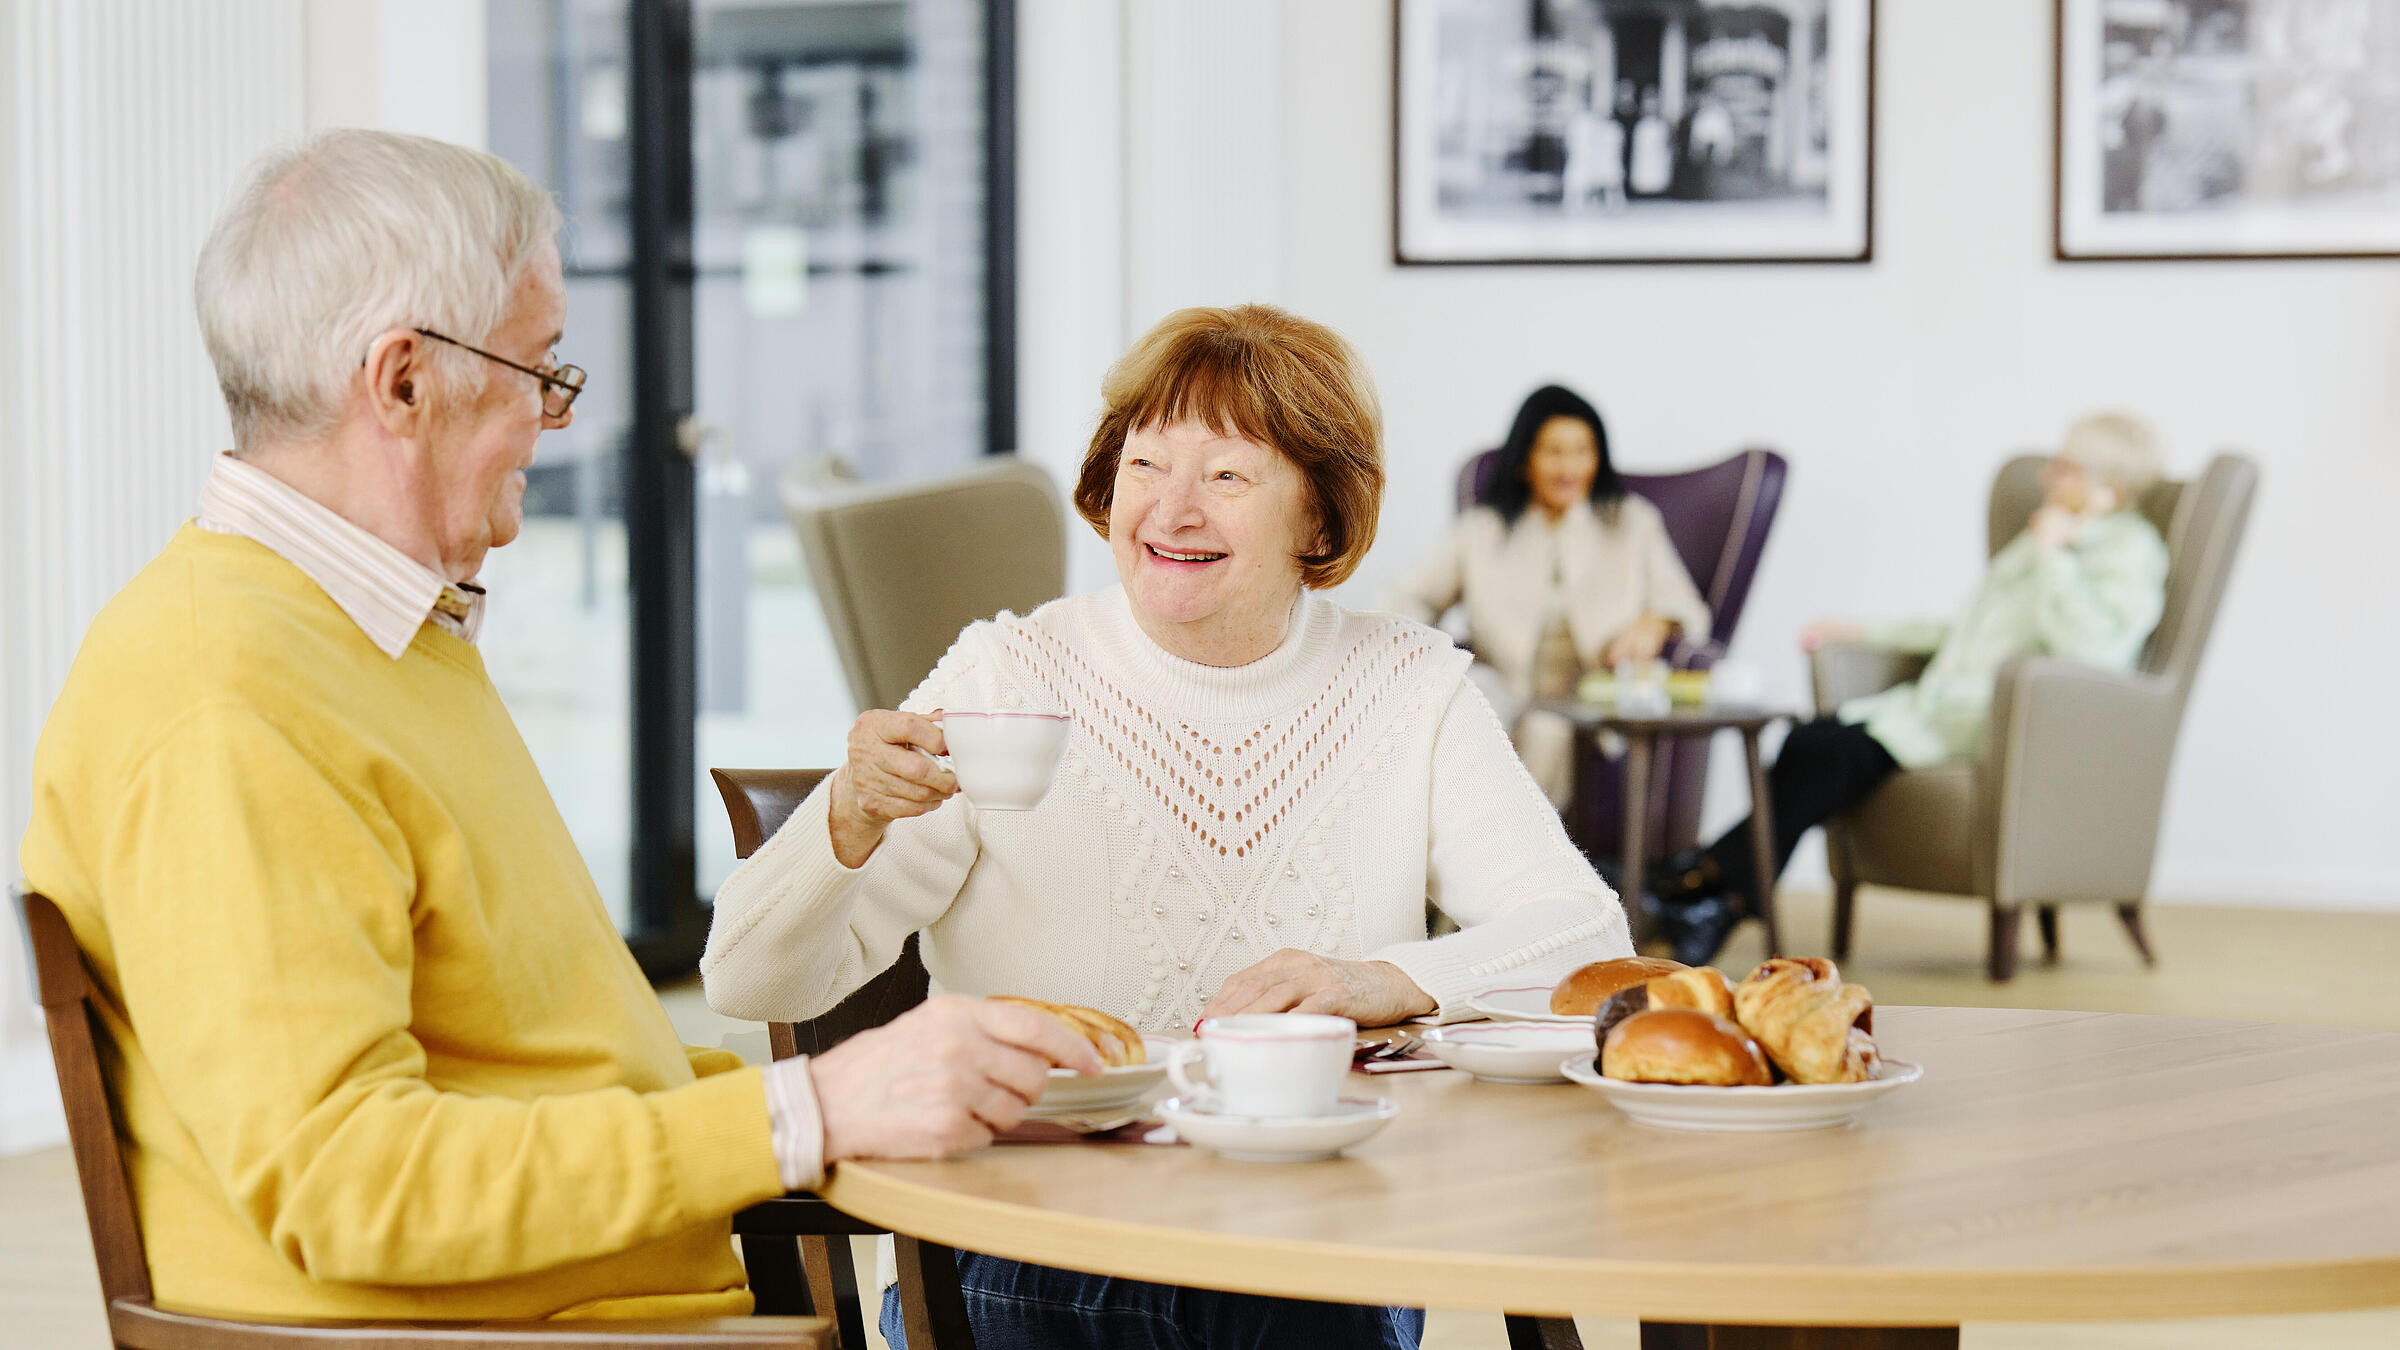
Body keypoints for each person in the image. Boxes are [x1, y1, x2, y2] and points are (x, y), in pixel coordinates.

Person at [16, 129, 1102, 1324]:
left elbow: (554, 1058)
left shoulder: (376, 640)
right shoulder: (225, 698)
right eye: (541, 372)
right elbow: (347, 1186)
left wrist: (870, 1098)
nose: (557, 419)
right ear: (402, 381)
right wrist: (811, 1113)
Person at [701, 304, 1630, 1348]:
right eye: (1145, 465)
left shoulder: (1409, 687)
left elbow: (1588, 938)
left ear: (1319, 520)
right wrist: (848, 814)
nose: (1172, 509)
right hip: (1027, 1243)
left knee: (1289, 1280)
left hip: (1305, 1249)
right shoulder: (1012, 675)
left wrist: (1374, 979)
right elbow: (745, 980)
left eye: (1229, 476)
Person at [1650, 413, 2174, 964]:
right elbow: (1968, 633)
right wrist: (1862, 631)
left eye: (2065, 468)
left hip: (2013, 725)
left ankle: (1703, 887)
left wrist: (2053, 555)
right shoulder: (2047, 534)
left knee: (1827, 755)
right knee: (1809, 740)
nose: (2048, 477)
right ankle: (1707, 889)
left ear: (2107, 488)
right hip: (1940, 707)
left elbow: (2089, 650)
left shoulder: (2126, 552)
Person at [1390, 385, 1710, 807]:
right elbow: (1407, 597)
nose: (1569, 467)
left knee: (1547, 728)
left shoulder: (1633, 523)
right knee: (1469, 705)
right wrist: (1419, 651)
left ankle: (1509, 860)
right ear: (1525, 460)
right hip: (1500, 683)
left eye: (1582, 451)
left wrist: (1654, 622)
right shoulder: (1482, 529)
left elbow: (1687, 608)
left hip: (1584, 697)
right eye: (1553, 452)